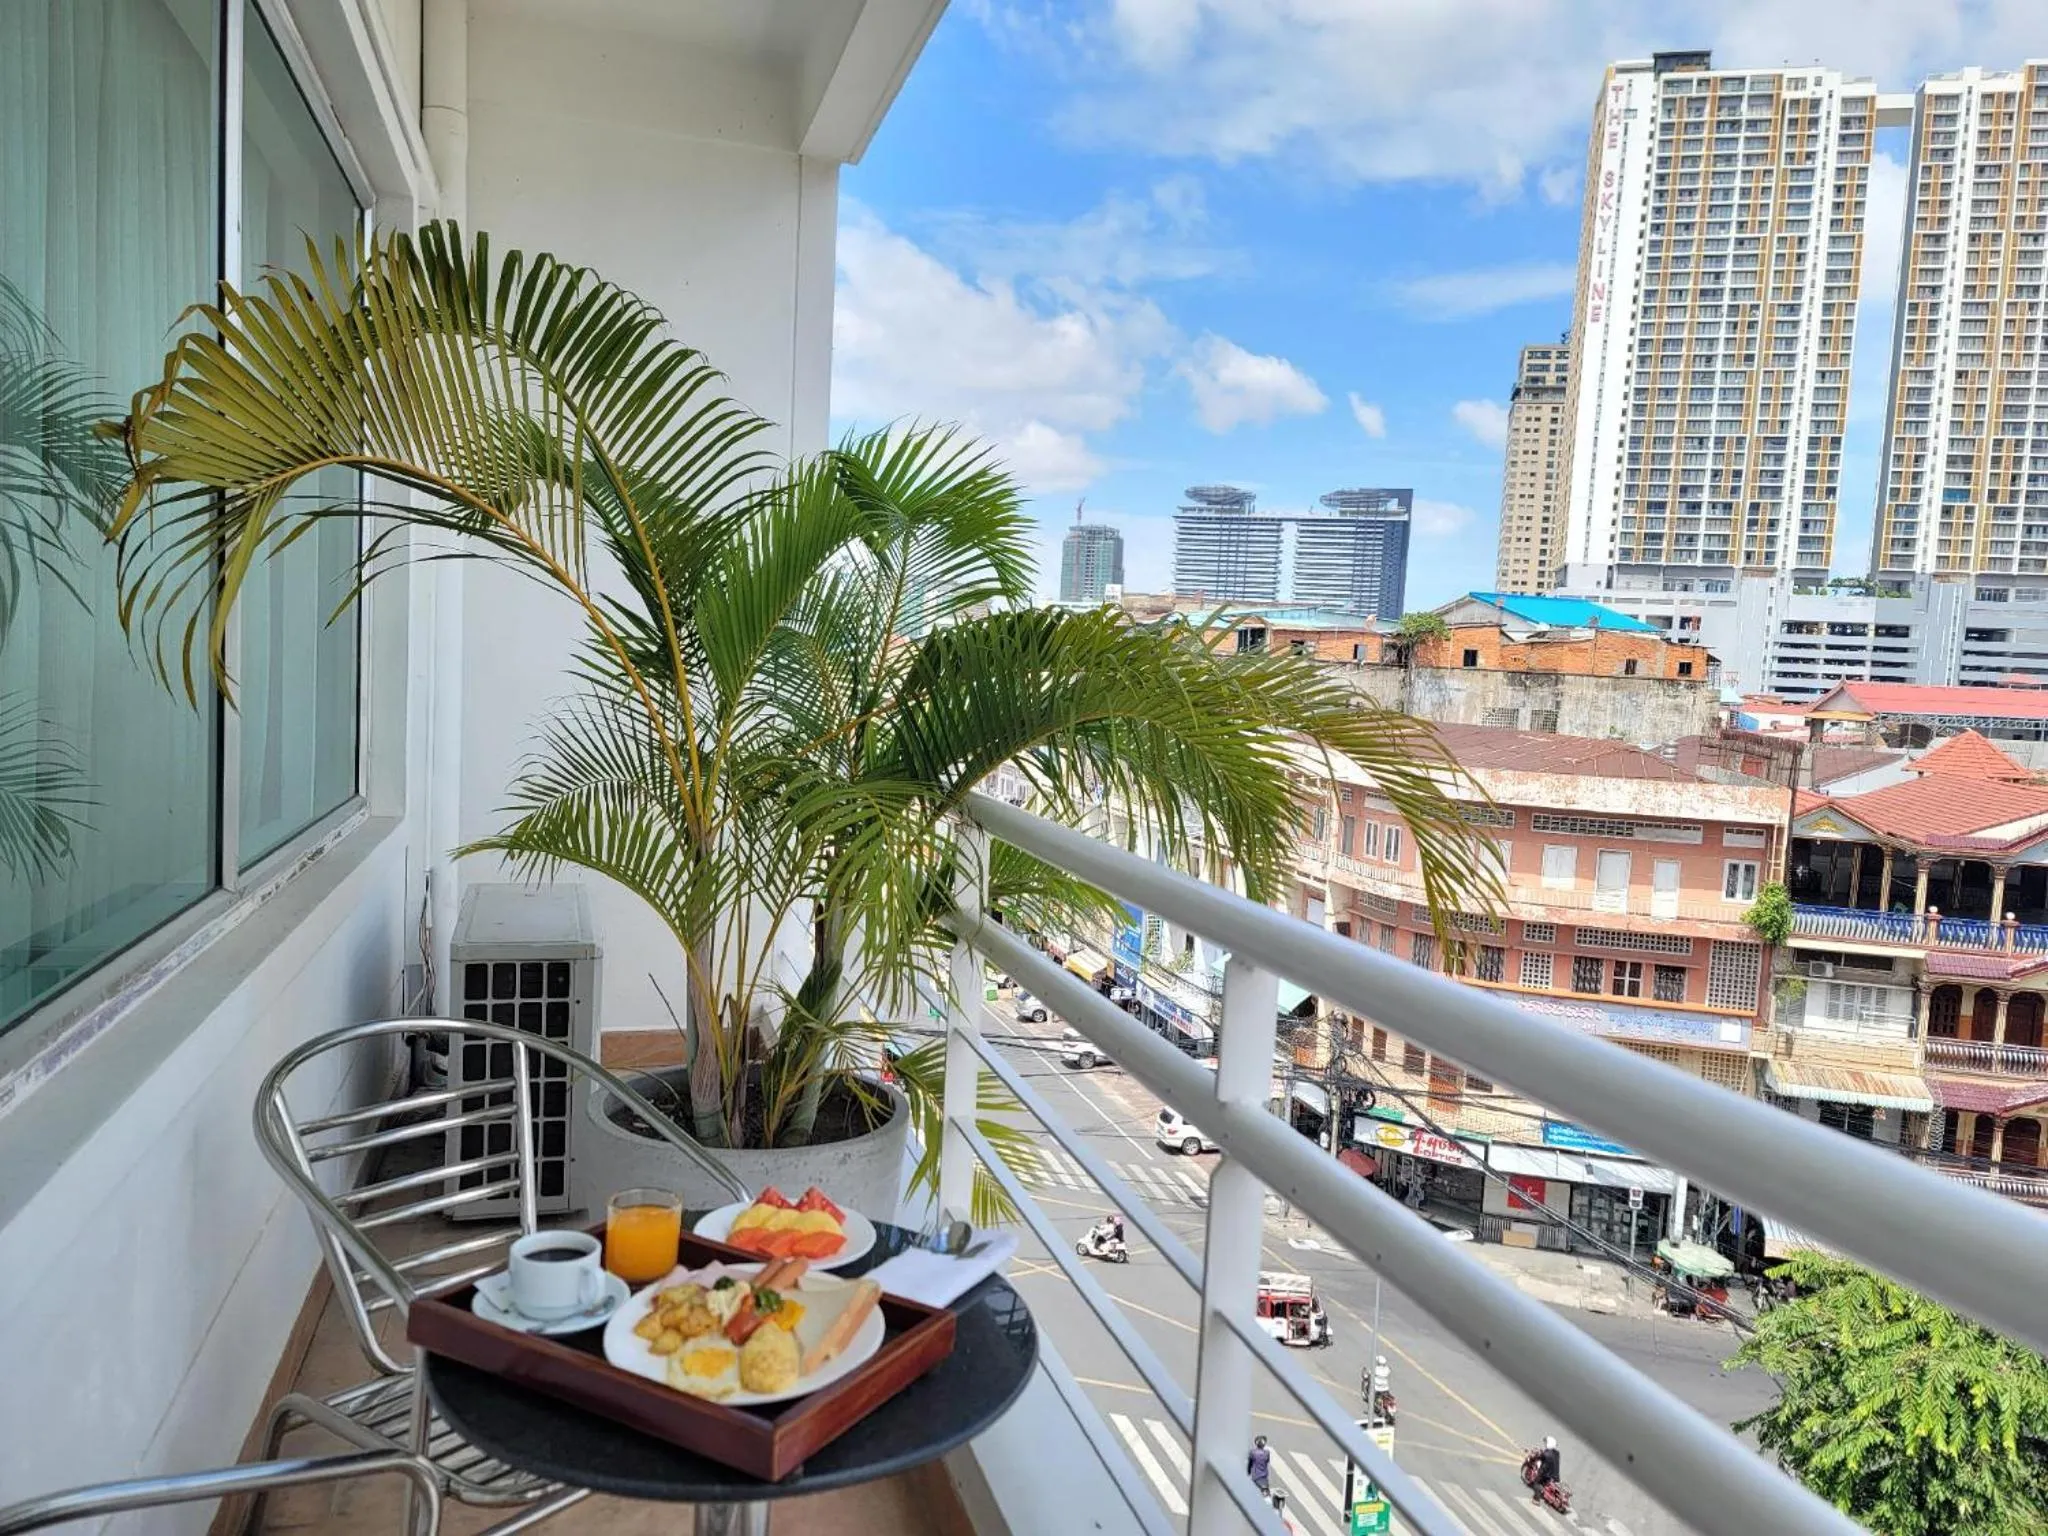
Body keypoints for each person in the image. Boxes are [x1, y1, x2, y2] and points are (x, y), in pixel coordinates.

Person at [1533, 1435, 1561, 1502]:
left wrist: (1536, 1454)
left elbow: (1538, 1457)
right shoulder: (1557, 1453)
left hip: (1546, 1474)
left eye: (1546, 1443)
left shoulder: (1546, 1454)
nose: (1545, 1444)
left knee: (1536, 1483)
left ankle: (1536, 1499)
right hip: (1556, 1475)